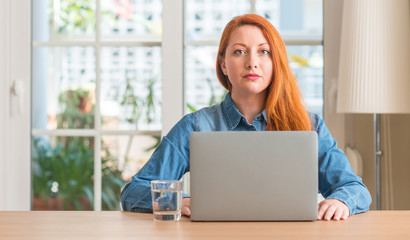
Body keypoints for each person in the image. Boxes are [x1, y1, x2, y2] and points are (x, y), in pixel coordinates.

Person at [120, 14, 371, 221]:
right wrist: (181, 201)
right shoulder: (195, 126)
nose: (252, 63)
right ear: (224, 65)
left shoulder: (310, 126)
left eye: (264, 52)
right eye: (240, 52)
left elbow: (354, 188)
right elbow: (133, 191)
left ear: (276, 63)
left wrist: (341, 201)